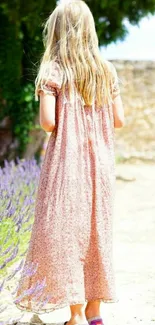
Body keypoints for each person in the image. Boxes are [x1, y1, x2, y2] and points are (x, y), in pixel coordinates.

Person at [14, 1, 124, 325]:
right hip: (101, 164)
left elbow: (48, 122)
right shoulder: (107, 70)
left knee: (64, 233)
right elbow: (119, 119)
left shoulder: (53, 70)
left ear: (57, 32)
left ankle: (74, 315)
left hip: (66, 161)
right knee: (96, 232)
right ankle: (95, 312)